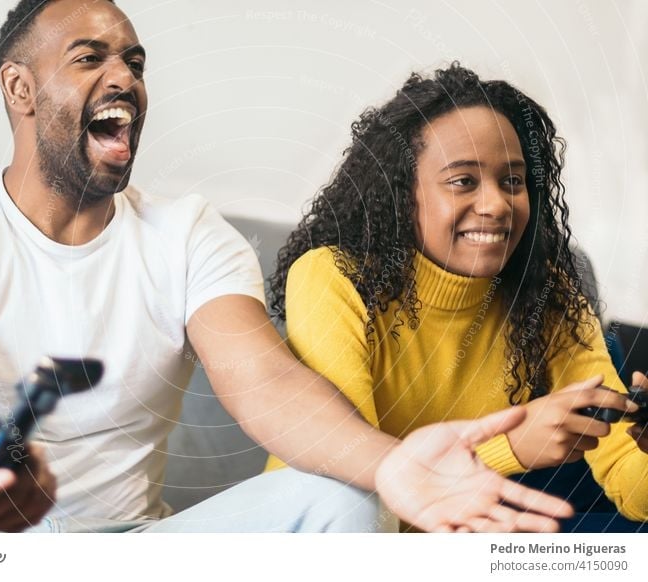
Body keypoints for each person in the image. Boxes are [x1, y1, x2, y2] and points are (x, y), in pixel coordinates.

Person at [0, 2, 571, 534]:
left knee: (342, 497)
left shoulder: (187, 233)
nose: (123, 77)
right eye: (89, 57)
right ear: (21, 90)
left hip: (133, 552)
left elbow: (265, 380)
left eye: (133, 61)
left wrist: (389, 464)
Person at [265, 63, 648, 529]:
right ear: (401, 194)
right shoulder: (335, 276)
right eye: (463, 181)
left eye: (513, 181)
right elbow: (351, 491)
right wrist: (511, 447)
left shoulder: (545, 287)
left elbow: (631, 486)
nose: (497, 205)